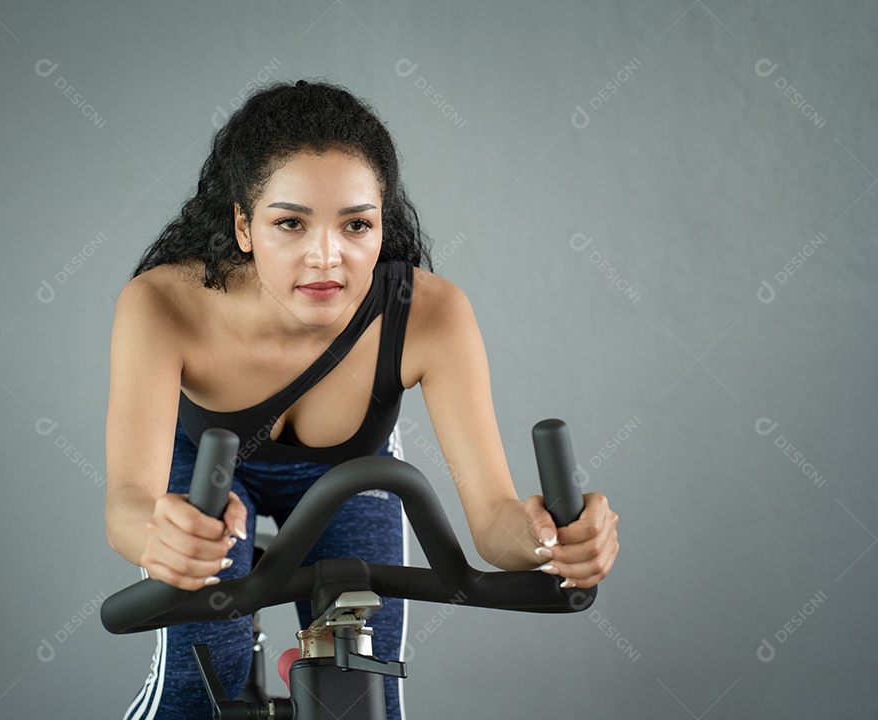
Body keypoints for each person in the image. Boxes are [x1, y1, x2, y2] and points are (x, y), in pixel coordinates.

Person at [104, 77, 620, 720]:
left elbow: (493, 522)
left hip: (348, 476)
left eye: (356, 224)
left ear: (383, 225)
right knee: (196, 686)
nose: (327, 257)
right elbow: (128, 503)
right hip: (203, 479)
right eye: (290, 223)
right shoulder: (162, 304)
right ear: (243, 225)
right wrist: (158, 533)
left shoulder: (430, 314)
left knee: (365, 693)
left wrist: (556, 542)